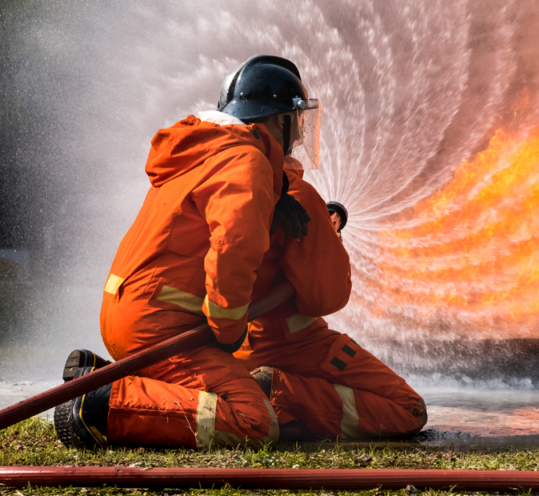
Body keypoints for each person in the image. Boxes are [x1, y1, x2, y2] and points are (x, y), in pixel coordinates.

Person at [55, 55, 320, 450]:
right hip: (160, 328)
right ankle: (99, 404)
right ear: (277, 120)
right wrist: (229, 330)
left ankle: (102, 376)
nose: (297, 137)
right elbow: (233, 247)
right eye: (294, 122)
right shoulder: (245, 162)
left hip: (126, 313)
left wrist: (275, 193)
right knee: (256, 420)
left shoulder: (207, 151)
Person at [236, 164, 427, 441]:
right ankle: (276, 390)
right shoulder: (297, 194)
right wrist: (328, 243)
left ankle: (278, 410)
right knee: (409, 410)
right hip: (302, 346)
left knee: (294, 423)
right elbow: (325, 297)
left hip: (242, 348)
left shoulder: (225, 187)